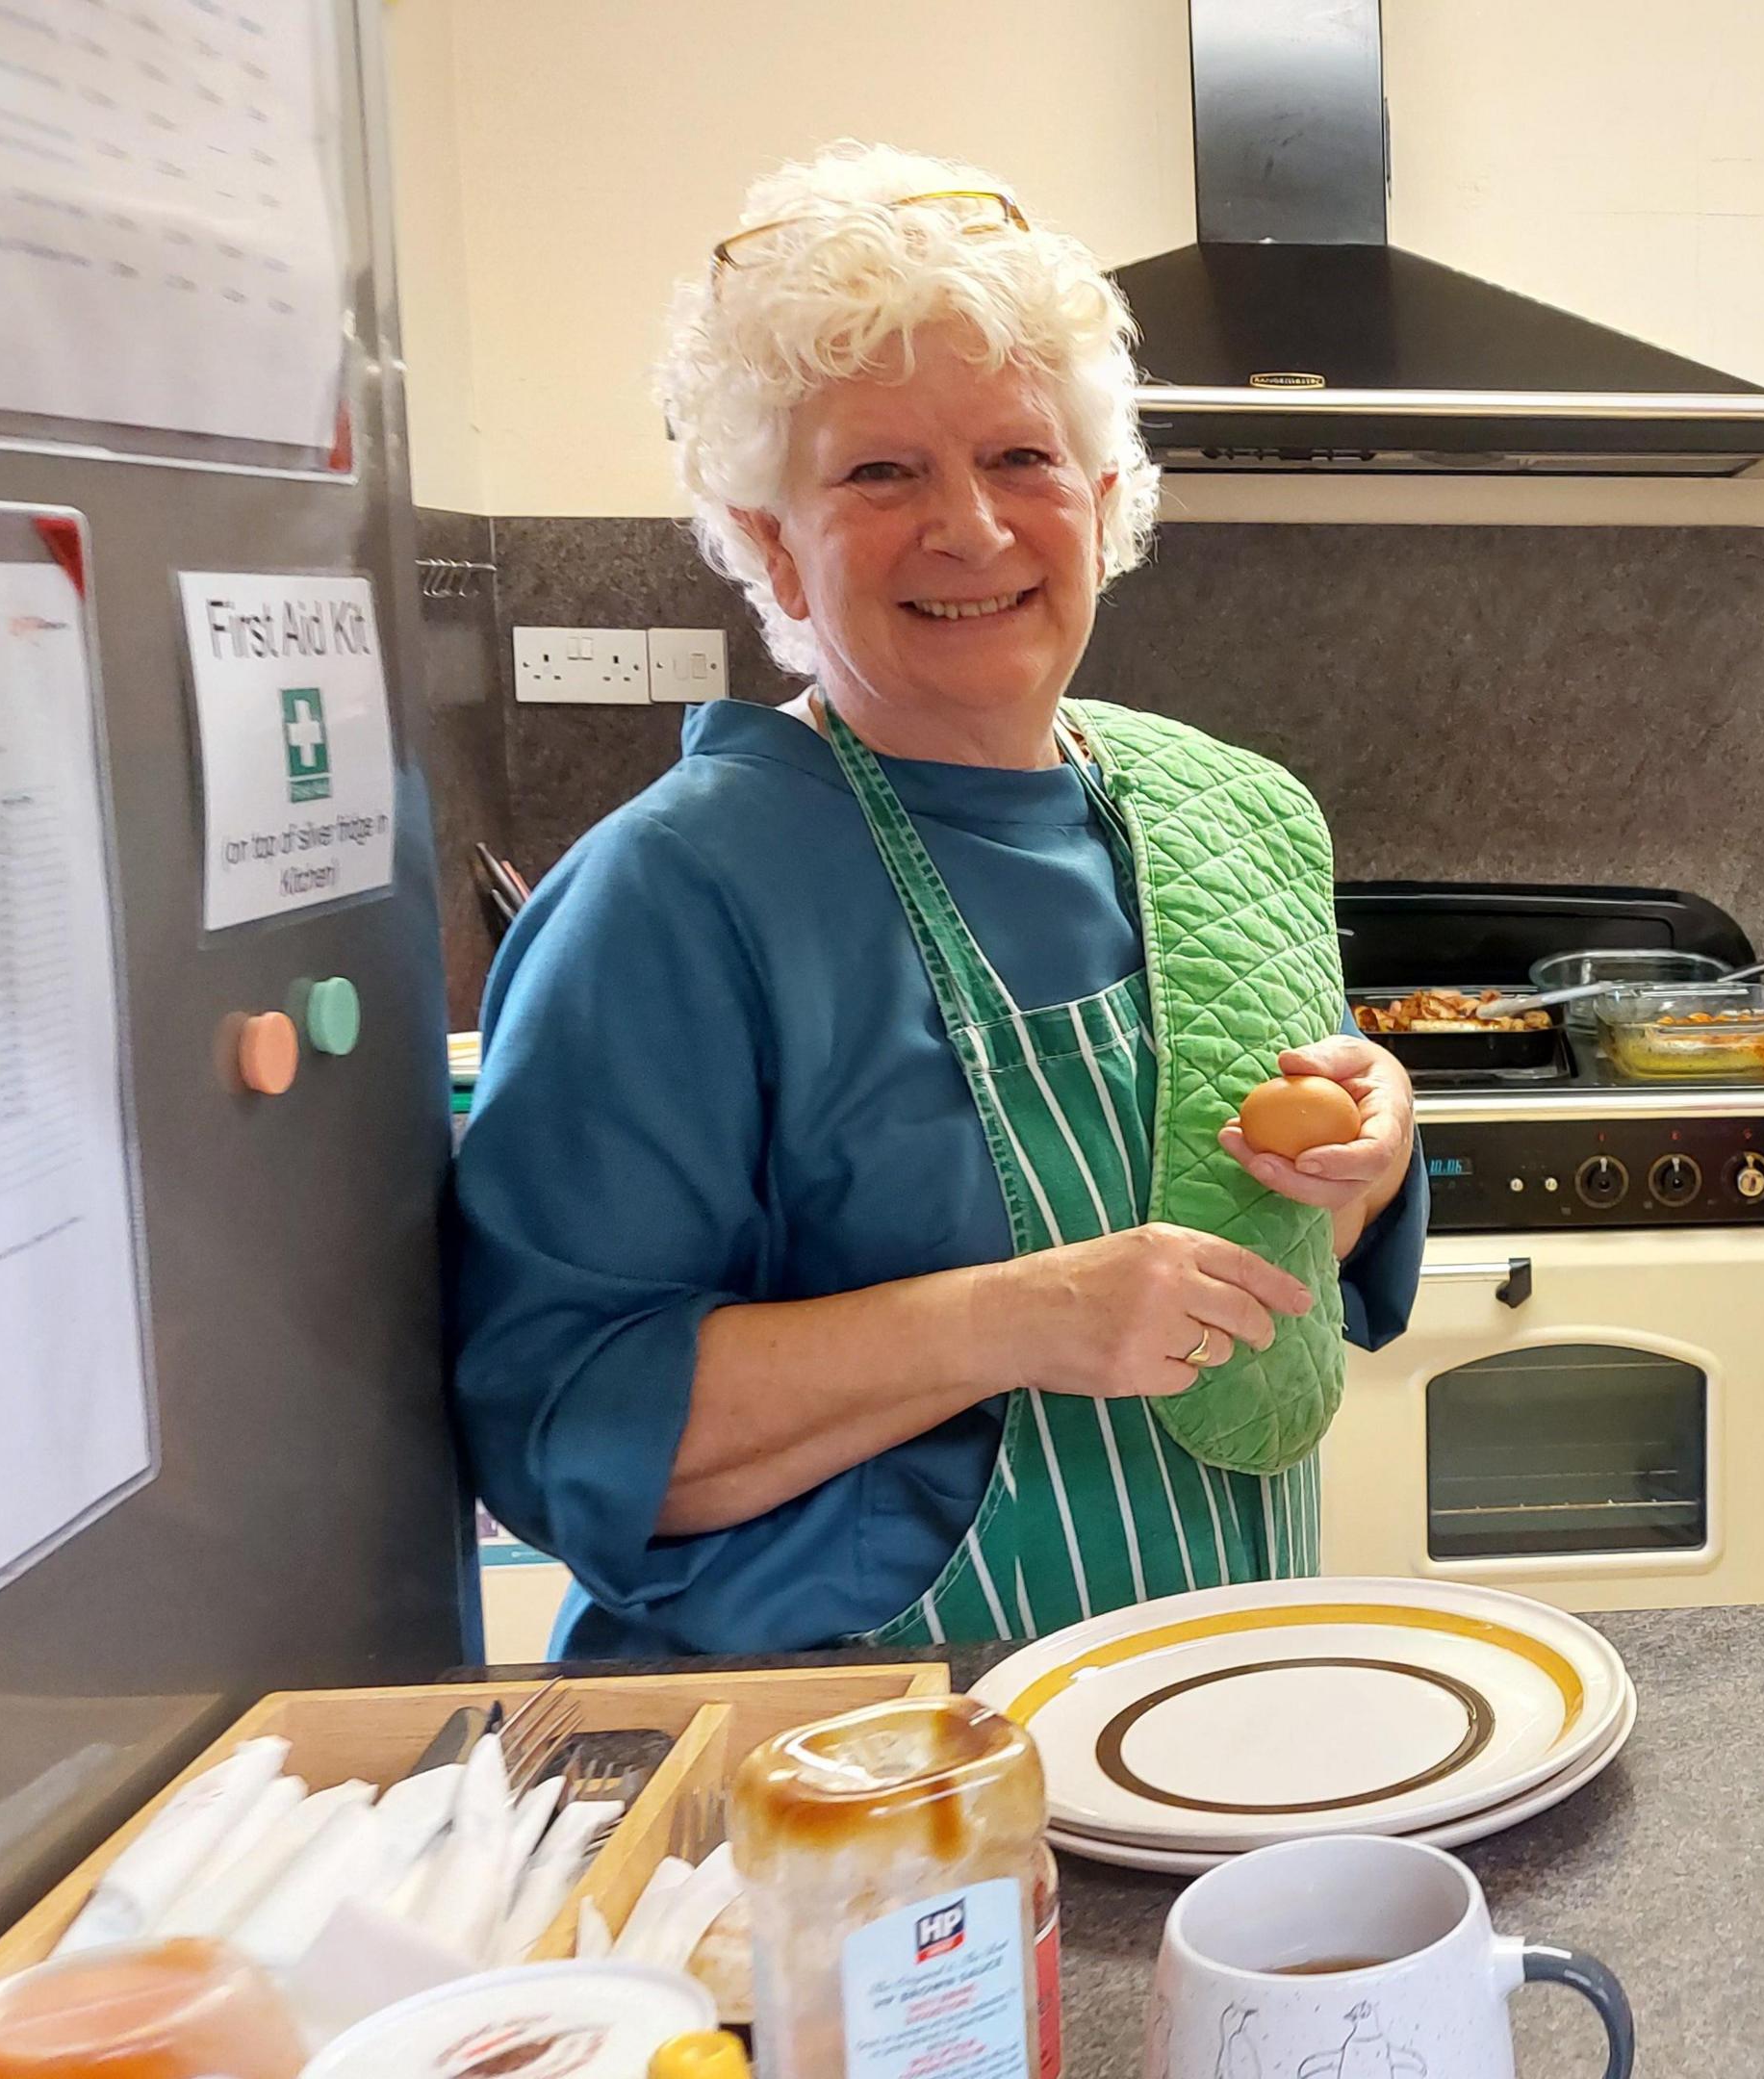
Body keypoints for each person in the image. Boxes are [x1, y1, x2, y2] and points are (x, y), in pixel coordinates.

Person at [448, 143, 1426, 1656]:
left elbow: (1274, 1231)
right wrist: (1018, 1321)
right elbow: (568, 1421)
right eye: (880, 471)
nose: (969, 527)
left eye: (1021, 459)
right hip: (852, 1771)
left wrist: (1363, 1162)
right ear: (770, 539)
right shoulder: (672, 899)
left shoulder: (1225, 812)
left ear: (1104, 501)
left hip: (1209, 1697)